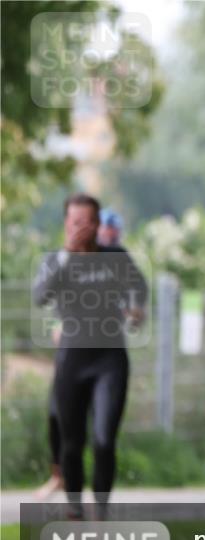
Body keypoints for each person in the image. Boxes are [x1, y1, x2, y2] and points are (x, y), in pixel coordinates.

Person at [32, 193, 149, 519]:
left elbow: (139, 285)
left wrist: (136, 307)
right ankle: (73, 503)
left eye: (88, 222)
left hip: (109, 360)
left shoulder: (116, 256)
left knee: (103, 439)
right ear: (66, 225)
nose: (82, 228)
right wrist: (69, 254)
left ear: (99, 224)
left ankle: (101, 508)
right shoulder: (55, 261)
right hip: (72, 360)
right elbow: (41, 296)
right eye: (75, 222)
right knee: (72, 442)